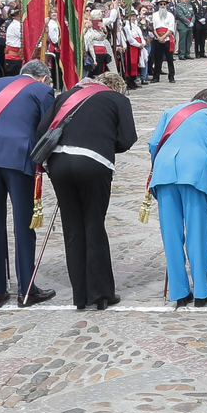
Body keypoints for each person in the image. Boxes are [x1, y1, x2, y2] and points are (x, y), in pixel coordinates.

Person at [0, 59, 59, 308]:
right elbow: (48, 130)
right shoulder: (43, 91)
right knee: (23, 225)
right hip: (20, 159)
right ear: (42, 78)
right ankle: (26, 289)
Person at [41, 72, 139, 309]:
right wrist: (104, 142)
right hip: (94, 162)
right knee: (94, 224)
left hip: (59, 163)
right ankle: (101, 294)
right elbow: (127, 139)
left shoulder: (65, 96)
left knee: (73, 228)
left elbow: (42, 131)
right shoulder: (118, 100)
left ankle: (80, 296)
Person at [150, 88, 207, 306]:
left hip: (164, 171)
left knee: (171, 234)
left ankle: (179, 292)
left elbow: (153, 144)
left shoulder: (170, 112)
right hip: (194, 172)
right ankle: (201, 292)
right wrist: (203, 159)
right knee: (196, 232)